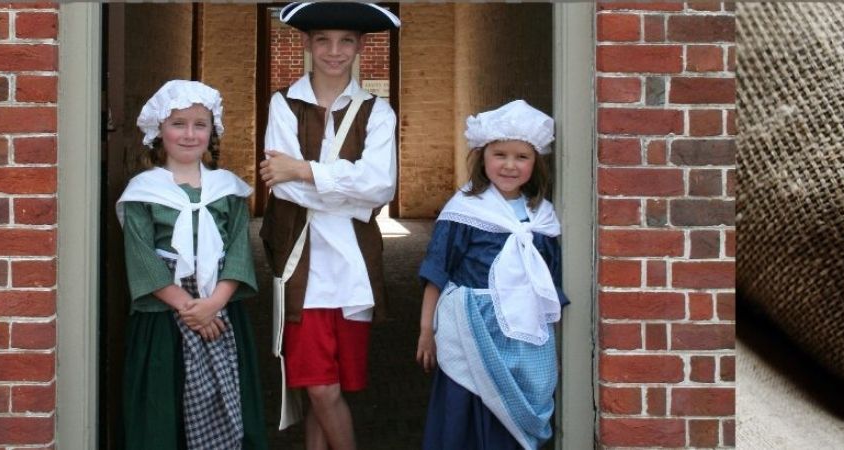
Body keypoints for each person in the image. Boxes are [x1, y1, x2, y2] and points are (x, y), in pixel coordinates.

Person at [257, 2, 401, 449]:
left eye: (345, 41)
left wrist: (304, 171)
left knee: (332, 384)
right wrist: (346, 190)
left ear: (359, 46)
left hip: (354, 267)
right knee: (319, 387)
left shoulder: (378, 112)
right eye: (323, 40)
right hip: (302, 264)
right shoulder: (284, 104)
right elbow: (280, 189)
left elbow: (380, 187)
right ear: (306, 43)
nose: (333, 51)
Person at [116, 80, 267, 450]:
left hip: (220, 308)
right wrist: (189, 309)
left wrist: (213, 304)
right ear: (158, 132)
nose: (189, 134)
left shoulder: (227, 190)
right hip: (165, 315)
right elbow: (140, 255)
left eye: (200, 125)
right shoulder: (143, 191)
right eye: (178, 124)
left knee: (225, 395)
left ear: (211, 132)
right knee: (165, 401)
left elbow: (237, 251)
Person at [415, 100, 569, 449]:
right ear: (483, 156)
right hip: (470, 325)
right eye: (500, 154)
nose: (510, 165)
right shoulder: (464, 210)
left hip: (524, 330)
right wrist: (427, 330)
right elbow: (437, 270)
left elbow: (550, 283)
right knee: (465, 407)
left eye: (521, 156)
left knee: (514, 410)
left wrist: (558, 343)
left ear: (536, 162)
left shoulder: (542, 216)